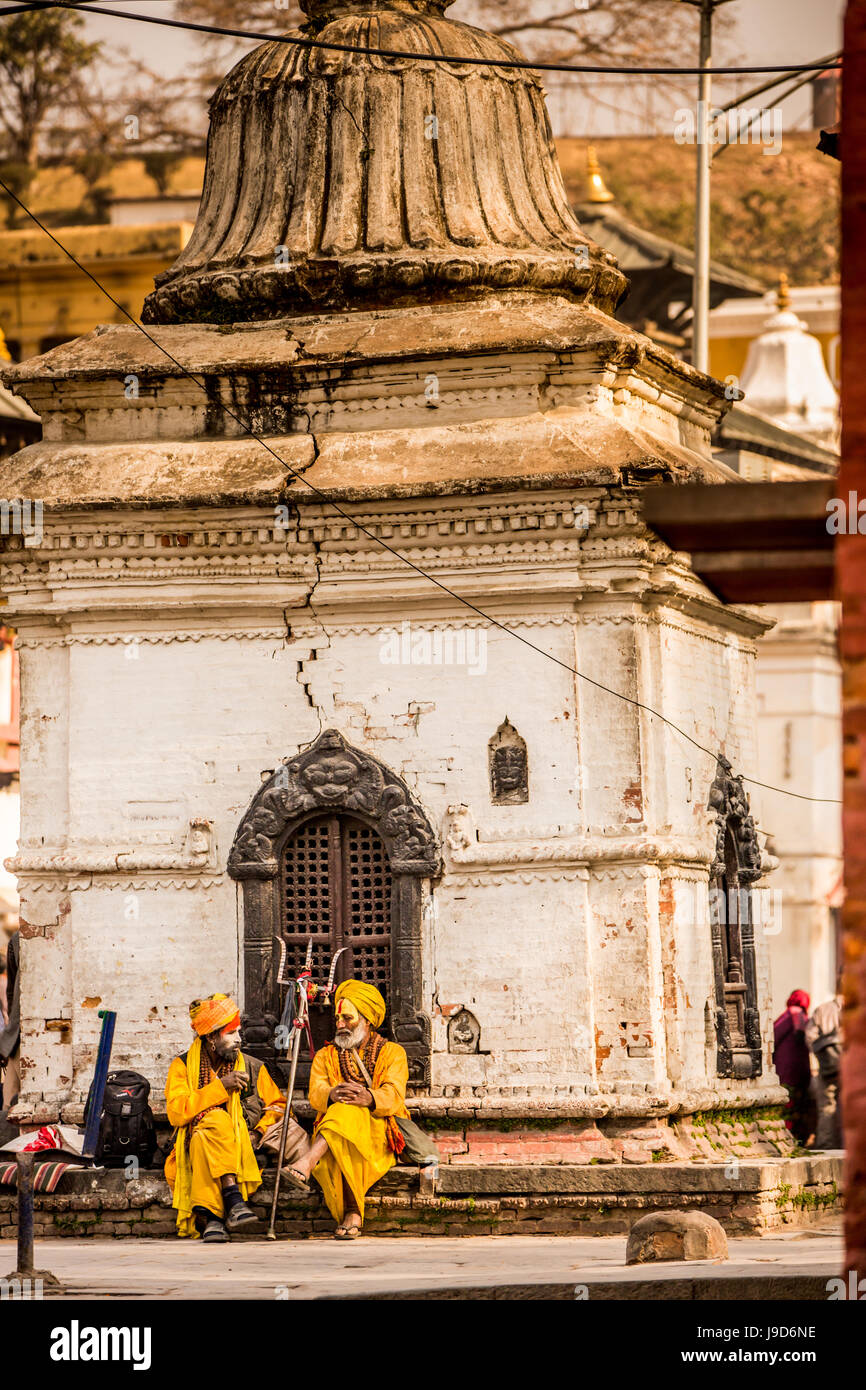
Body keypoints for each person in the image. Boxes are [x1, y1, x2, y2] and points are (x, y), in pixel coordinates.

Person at [164, 992, 299, 1241]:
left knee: (207, 1135)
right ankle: (232, 1199)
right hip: (193, 1143)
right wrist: (220, 1087)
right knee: (212, 1125)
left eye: (239, 1032)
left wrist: (258, 1131)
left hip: (241, 1144)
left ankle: (213, 1220)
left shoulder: (252, 1066)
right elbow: (176, 1113)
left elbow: (279, 1107)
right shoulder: (182, 1066)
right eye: (231, 1033)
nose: (239, 1040)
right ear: (212, 1037)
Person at [284, 979, 409, 1239]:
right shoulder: (325, 1056)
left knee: (349, 1110)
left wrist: (369, 1097)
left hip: (378, 1130)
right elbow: (315, 1093)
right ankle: (353, 1213)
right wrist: (331, 1094)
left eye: (348, 1018)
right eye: (338, 1018)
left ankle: (307, 1162)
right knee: (344, 1111)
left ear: (367, 1020)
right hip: (335, 1132)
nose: (340, 1024)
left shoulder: (393, 1053)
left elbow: (395, 1095)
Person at [773, 989, 814, 1145]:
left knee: (786, 1103)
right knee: (798, 1104)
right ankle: (798, 1137)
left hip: (786, 1068)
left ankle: (785, 1135)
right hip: (802, 1069)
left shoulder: (791, 1014)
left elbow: (774, 1035)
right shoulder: (805, 1017)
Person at [806, 987, 843, 1150]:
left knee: (827, 1108)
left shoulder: (822, 1010)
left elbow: (810, 1038)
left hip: (827, 1067)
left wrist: (824, 1054)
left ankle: (827, 1147)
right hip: (854, 1069)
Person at [0, 930, 20, 1116]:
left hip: (18, 1034)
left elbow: (12, 994)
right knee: (9, 1108)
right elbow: (12, 995)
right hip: (18, 1036)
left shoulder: (18, 938)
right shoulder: (17, 939)